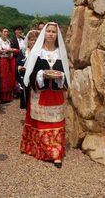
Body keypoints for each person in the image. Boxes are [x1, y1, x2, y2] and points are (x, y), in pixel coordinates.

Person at [20, 22, 70, 168]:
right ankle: (39, 149)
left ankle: (56, 154)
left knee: (56, 121)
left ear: (57, 35)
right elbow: (29, 74)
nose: (51, 34)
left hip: (55, 95)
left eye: (54, 32)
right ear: (44, 33)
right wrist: (42, 74)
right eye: (48, 31)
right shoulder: (37, 52)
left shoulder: (61, 54)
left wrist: (60, 76)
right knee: (41, 122)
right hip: (40, 93)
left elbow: (66, 73)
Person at [16, 30, 39, 109]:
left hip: (36, 80)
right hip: (25, 78)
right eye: (31, 40)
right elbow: (18, 63)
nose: (33, 42)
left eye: (36, 40)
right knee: (27, 99)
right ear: (28, 41)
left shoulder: (41, 53)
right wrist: (19, 68)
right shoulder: (23, 51)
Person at [0, 26, 17, 102]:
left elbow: (10, 51)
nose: (6, 33)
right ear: (0, 32)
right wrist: (5, 51)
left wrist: (10, 51)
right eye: (4, 32)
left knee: (8, 78)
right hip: (1, 60)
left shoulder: (8, 41)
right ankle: (1, 98)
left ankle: (7, 97)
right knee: (2, 79)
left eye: (7, 32)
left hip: (8, 60)